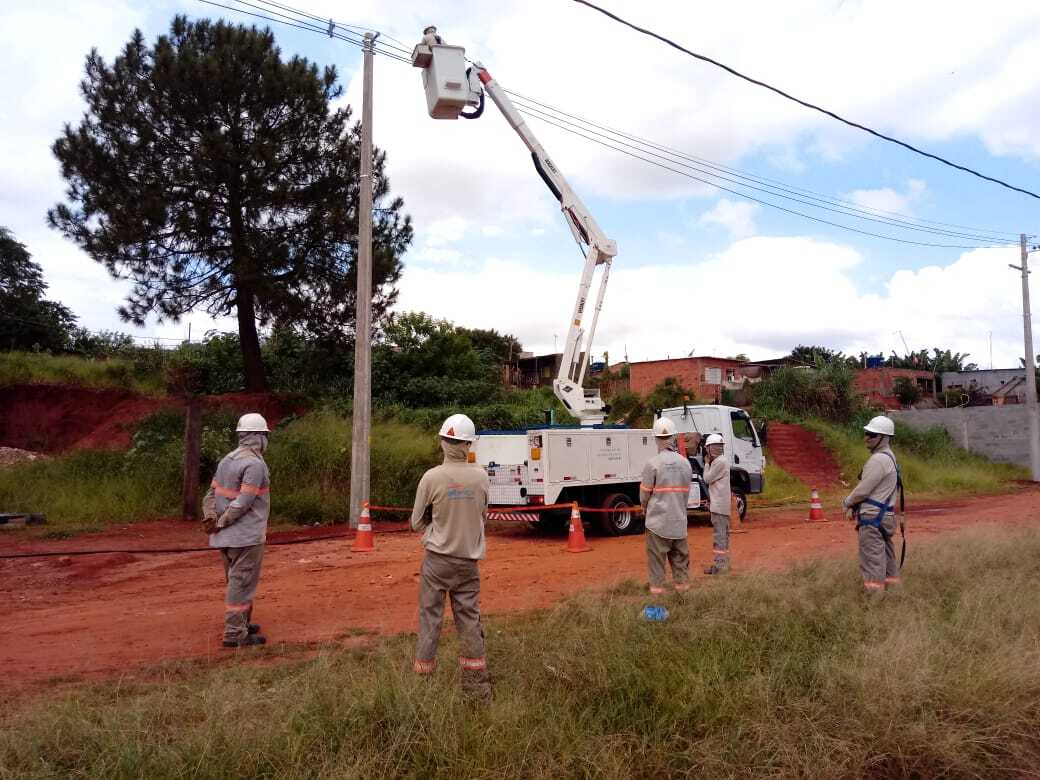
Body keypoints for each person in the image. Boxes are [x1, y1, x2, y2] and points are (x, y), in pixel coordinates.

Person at [410, 413, 492, 701]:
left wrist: (437, 522)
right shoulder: (481, 476)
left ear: (444, 442)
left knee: (430, 619)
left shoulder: (431, 477)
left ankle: (423, 687)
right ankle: (477, 689)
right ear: (468, 444)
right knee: (469, 621)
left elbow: (416, 523)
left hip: (437, 561)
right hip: (468, 563)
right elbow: (483, 515)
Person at [202, 412, 272, 648]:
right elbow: (244, 501)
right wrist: (222, 521)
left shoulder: (227, 460)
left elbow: (210, 495)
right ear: (258, 437)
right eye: (264, 435)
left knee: (237, 581)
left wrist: (211, 518)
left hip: (225, 538)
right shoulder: (254, 464)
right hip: (245, 536)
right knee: (241, 582)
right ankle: (234, 633)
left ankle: (242, 622)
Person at [843, 415, 902, 597]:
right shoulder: (890, 458)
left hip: (873, 519)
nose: (866, 438)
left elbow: (863, 490)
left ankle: (874, 604)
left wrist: (847, 502)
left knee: (872, 563)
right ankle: (893, 597)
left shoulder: (878, 460)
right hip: (885, 517)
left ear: (884, 438)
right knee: (888, 560)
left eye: (872, 434)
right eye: (866, 433)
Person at [640, 417, 694, 594]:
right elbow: (685, 495)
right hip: (679, 523)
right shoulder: (685, 464)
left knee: (657, 567)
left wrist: (646, 511)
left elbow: (644, 496)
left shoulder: (652, 464)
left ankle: (657, 607)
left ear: (656, 439)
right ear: (674, 437)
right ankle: (684, 602)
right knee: (681, 567)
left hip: (657, 525)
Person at [703, 432, 731, 574]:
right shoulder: (723, 460)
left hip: (719, 508)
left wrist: (707, 464)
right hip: (721, 506)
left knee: (719, 537)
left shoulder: (719, 462)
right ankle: (723, 564)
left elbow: (707, 479)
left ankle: (720, 567)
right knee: (723, 537)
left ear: (710, 448)